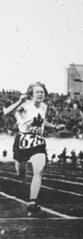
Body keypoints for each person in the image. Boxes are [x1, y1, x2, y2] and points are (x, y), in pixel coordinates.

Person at [2, 82, 64, 214]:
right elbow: (6, 113)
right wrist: (19, 101)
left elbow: (41, 121)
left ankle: (32, 201)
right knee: (21, 174)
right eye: (37, 92)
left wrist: (54, 127)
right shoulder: (24, 104)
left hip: (37, 141)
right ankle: (21, 175)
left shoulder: (44, 107)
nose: (40, 94)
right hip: (22, 141)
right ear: (31, 94)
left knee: (39, 170)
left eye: (42, 92)